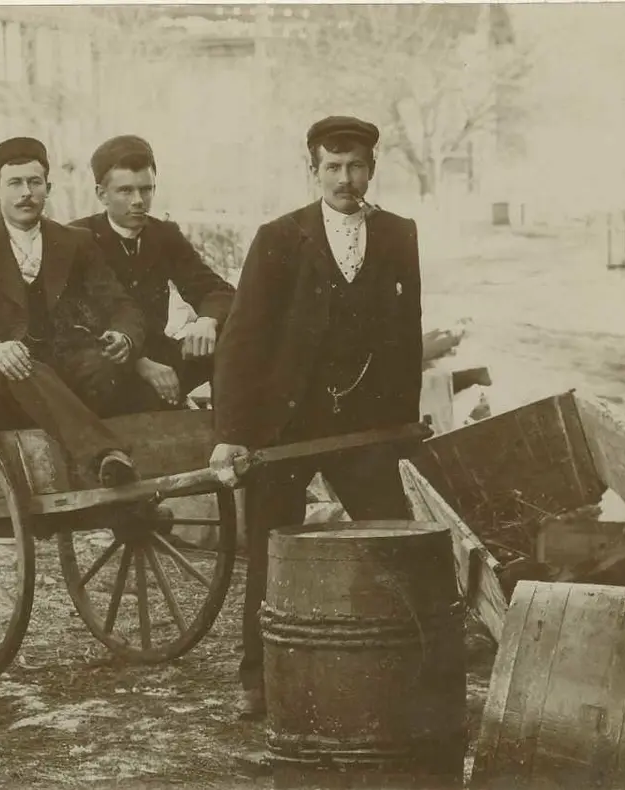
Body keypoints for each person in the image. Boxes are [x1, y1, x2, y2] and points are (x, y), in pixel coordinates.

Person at [208, 116, 425, 719]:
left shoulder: (399, 233)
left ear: (372, 168)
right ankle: (258, 680)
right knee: (272, 551)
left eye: (356, 166)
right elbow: (242, 339)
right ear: (314, 170)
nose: (345, 179)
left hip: (362, 428)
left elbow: (406, 334)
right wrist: (232, 435)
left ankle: (404, 668)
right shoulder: (279, 237)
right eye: (332, 167)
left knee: (395, 539)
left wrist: (401, 425)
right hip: (284, 428)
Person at [0, 137, 144, 488]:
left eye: (35, 183)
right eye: (15, 183)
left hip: (58, 371)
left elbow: (121, 304)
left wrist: (123, 335)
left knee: (102, 366)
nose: (27, 193)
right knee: (23, 368)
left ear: (48, 188)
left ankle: (111, 489)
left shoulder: (74, 241)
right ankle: (104, 456)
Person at [69, 135, 235, 411]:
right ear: (101, 194)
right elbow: (73, 326)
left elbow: (215, 289)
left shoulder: (164, 235)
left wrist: (207, 321)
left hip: (163, 359)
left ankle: (224, 435)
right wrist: (139, 364)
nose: (139, 201)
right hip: (106, 365)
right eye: (125, 191)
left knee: (232, 337)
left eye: (146, 190)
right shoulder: (76, 237)